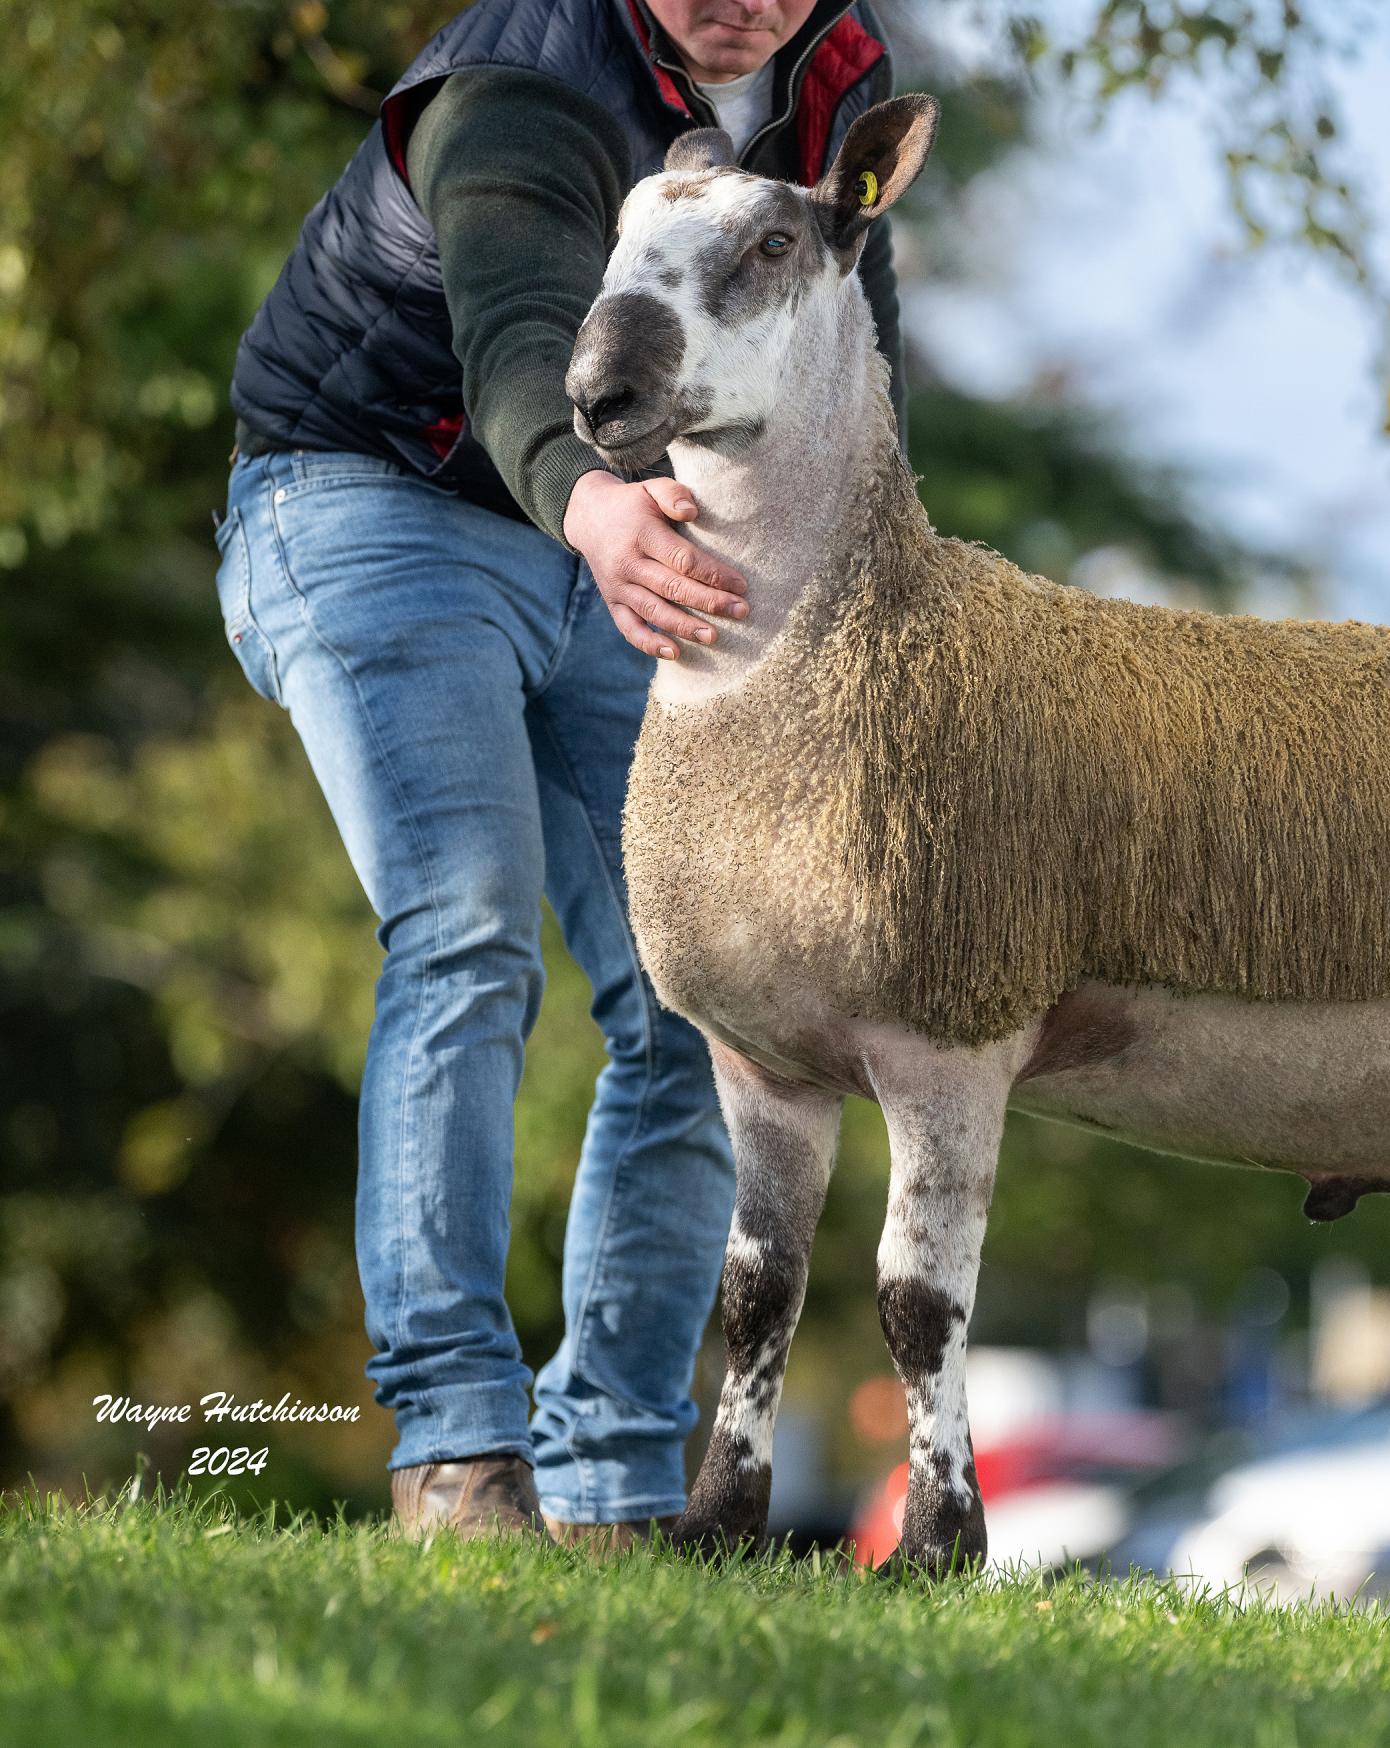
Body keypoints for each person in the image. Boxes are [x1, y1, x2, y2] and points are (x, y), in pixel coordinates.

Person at [215, 0, 904, 1545]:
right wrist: (593, 509)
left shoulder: (839, 92)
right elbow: (522, 326)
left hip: (613, 543)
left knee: (691, 985)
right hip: (365, 495)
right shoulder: (521, 77)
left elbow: (855, 377)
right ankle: (457, 1452)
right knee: (466, 920)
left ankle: (607, 1480)